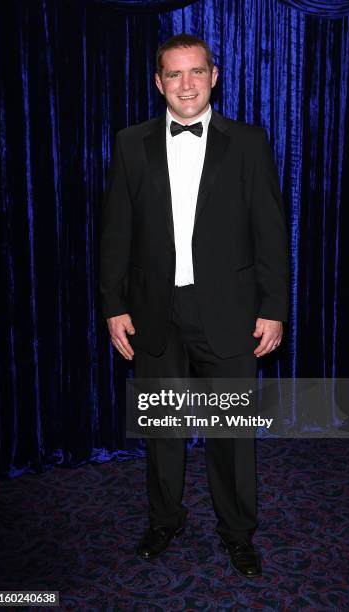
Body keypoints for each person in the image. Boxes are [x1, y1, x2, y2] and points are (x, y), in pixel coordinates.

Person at [99, 33, 289, 579]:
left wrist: (273, 307)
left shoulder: (249, 142)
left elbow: (270, 236)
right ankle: (165, 519)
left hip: (230, 314)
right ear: (159, 82)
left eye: (196, 72)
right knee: (163, 429)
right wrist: (113, 306)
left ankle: (237, 533)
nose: (186, 84)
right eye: (175, 75)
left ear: (215, 76)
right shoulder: (130, 142)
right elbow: (116, 234)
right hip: (154, 313)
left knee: (232, 434)